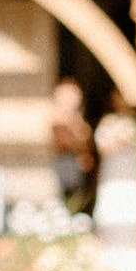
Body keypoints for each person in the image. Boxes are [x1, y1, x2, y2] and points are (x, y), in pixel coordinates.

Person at [49, 78, 97, 217]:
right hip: (64, 163)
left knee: (78, 199)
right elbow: (63, 140)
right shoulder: (56, 116)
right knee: (65, 200)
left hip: (79, 167)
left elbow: (86, 141)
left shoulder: (78, 118)